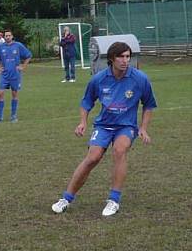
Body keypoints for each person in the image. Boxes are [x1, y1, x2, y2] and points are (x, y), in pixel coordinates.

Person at [52, 41, 157, 217]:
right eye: (121, 57)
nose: (125, 60)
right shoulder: (98, 79)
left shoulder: (140, 79)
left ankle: (113, 200)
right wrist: (82, 122)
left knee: (119, 150)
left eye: (127, 57)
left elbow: (149, 105)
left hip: (126, 126)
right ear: (111, 59)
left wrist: (143, 128)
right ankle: (66, 198)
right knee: (92, 157)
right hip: (103, 125)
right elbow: (86, 102)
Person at [0, 29, 32, 123]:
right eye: (6, 36)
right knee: (0, 93)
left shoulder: (18, 45)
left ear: (12, 36)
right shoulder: (1, 47)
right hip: (4, 75)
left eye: (9, 35)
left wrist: (23, 66)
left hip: (15, 74)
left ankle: (13, 116)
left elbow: (28, 56)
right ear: (4, 37)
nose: (8, 37)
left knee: (14, 94)